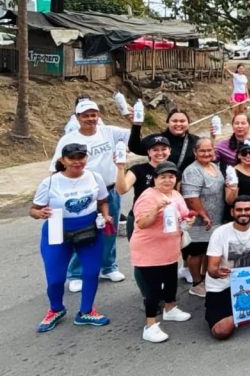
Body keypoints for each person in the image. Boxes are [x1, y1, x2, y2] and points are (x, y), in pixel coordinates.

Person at [51, 98, 131, 292]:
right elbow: (55, 168)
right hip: (82, 193)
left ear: (98, 116)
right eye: (85, 115)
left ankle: (108, 266)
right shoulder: (69, 139)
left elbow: (136, 136)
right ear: (77, 117)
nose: (90, 118)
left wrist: (131, 116)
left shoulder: (109, 132)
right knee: (82, 233)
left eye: (93, 114)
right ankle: (77, 273)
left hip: (110, 190)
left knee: (109, 230)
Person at [31, 143, 113, 331]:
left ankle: (86, 312)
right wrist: (40, 213)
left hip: (89, 228)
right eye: (72, 158)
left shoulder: (94, 177)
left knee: (91, 273)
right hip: (57, 229)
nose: (77, 162)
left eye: (81, 157)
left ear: (86, 158)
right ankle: (56, 309)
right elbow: (33, 210)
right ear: (63, 160)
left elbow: (102, 201)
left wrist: (106, 215)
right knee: (55, 278)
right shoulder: (50, 182)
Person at [130, 162, 193, 342]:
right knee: (154, 289)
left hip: (170, 248)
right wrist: (157, 208)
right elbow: (141, 223)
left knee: (171, 281)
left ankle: (170, 308)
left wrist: (189, 220)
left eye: (171, 176)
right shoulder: (148, 196)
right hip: (149, 250)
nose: (167, 180)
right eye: (163, 176)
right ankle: (150, 325)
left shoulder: (176, 194)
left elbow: (184, 215)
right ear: (155, 179)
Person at [204, 196, 250, 339]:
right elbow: (211, 269)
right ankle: (246, 312)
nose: (243, 213)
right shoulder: (220, 232)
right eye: (239, 210)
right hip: (223, 285)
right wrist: (216, 272)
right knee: (221, 332)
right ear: (232, 212)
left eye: (247, 209)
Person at [181, 137, 227, 297]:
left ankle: (206, 278)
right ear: (195, 152)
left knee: (210, 250)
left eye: (209, 150)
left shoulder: (214, 166)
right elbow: (191, 197)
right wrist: (203, 215)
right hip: (200, 221)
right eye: (203, 151)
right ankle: (196, 283)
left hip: (216, 219)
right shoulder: (192, 170)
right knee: (196, 252)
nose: (207, 153)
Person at [116, 134, 171, 240]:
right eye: (155, 150)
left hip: (167, 218)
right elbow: (121, 189)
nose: (160, 153)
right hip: (139, 218)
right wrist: (120, 168)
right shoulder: (137, 169)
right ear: (148, 152)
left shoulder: (173, 170)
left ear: (170, 151)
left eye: (164, 149)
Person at [129, 108, 201, 171]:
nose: (178, 124)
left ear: (188, 123)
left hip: (185, 184)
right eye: (174, 121)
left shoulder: (196, 141)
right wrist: (136, 125)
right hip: (159, 183)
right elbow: (135, 147)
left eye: (182, 121)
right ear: (168, 123)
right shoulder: (156, 139)